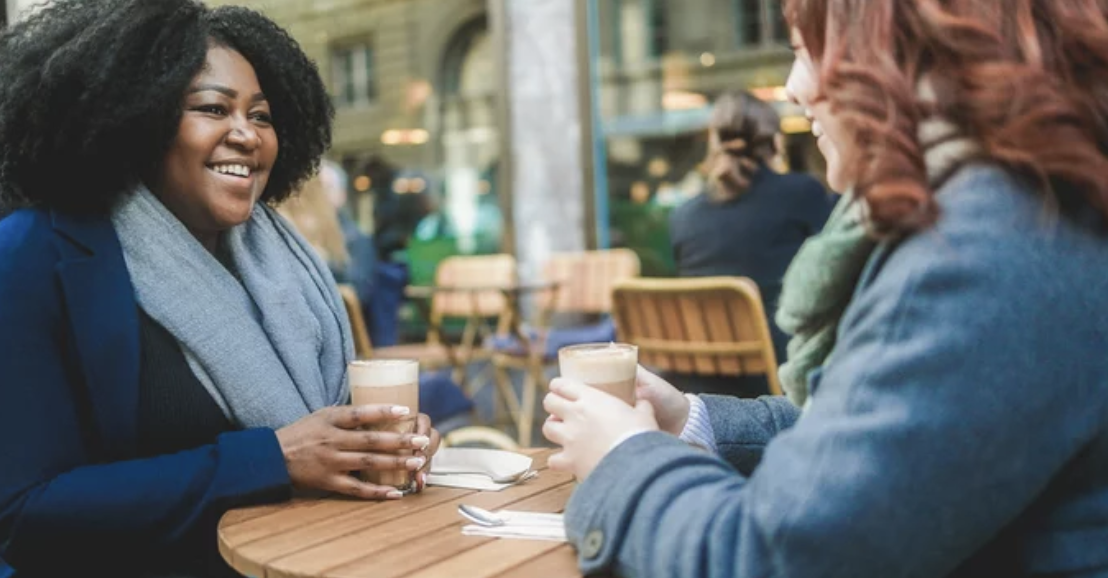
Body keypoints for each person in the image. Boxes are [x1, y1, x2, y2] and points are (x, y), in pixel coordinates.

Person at [542, 0, 1108, 576]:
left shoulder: (979, 253)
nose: (794, 87)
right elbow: (875, 448)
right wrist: (691, 418)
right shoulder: (1025, 207)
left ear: (905, 48)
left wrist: (624, 459)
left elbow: (771, 559)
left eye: (808, 50)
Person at [0, 1, 440, 576]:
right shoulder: (36, 253)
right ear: (137, 118)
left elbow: (318, 435)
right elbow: (26, 512)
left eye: (261, 116)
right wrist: (272, 460)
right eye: (213, 108)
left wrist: (369, 446)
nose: (246, 135)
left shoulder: (283, 259)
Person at [668, 90, 832, 396]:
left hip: (697, 386)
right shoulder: (802, 193)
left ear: (713, 143)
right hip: (781, 378)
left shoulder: (683, 216)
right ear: (775, 141)